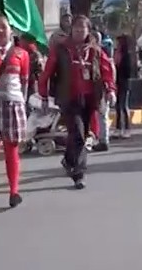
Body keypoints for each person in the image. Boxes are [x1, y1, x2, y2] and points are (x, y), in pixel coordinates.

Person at [38, 15, 116, 190]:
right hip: (68, 97)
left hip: (89, 98)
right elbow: (47, 71)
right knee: (79, 134)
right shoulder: (61, 49)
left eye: (83, 28)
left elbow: (106, 71)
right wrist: (43, 93)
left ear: (89, 30)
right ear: (71, 30)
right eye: (77, 28)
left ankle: (68, 160)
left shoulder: (95, 50)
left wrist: (110, 89)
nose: (80, 31)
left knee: (80, 134)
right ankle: (79, 173)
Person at [0, 15, 28, 208]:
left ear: (11, 30)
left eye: (4, 27)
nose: (0, 31)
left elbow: (25, 81)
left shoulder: (21, 54)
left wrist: (22, 102)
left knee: (12, 148)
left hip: (13, 103)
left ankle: (14, 190)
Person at [113, 35, 134, 139]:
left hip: (124, 82)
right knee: (117, 106)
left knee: (124, 106)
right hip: (116, 81)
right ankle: (118, 128)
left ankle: (127, 128)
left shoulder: (127, 55)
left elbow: (128, 70)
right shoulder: (116, 54)